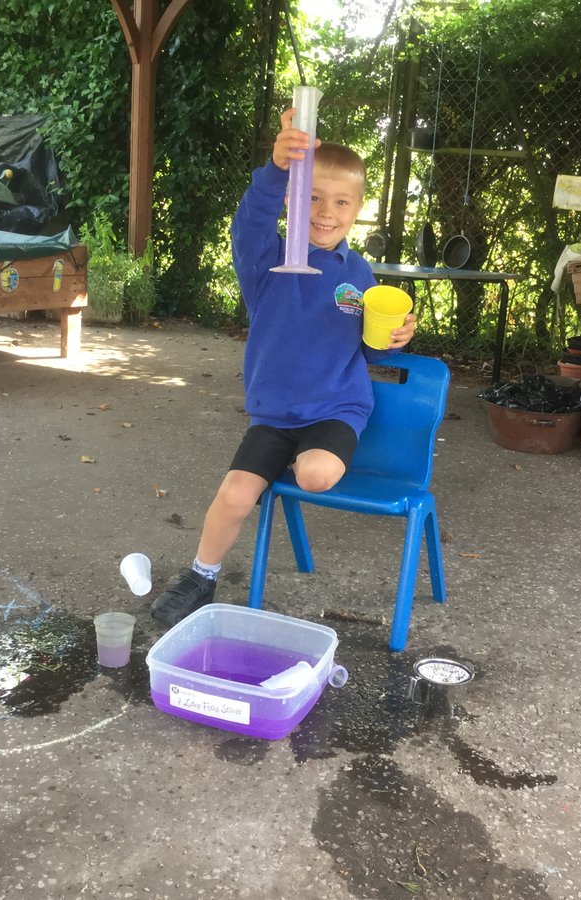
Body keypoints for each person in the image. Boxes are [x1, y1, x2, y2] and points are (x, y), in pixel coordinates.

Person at [150, 108, 416, 627]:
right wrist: (276, 169)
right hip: (274, 415)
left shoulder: (358, 271)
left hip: (336, 408)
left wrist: (395, 338)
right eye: (311, 196)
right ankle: (200, 577)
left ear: (359, 209)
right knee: (235, 494)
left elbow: (372, 350)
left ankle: (301, 457)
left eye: (341, 201)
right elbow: (250, 218)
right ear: (293, 198)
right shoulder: (265, 260)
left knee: (315, 474)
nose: (325, 211)